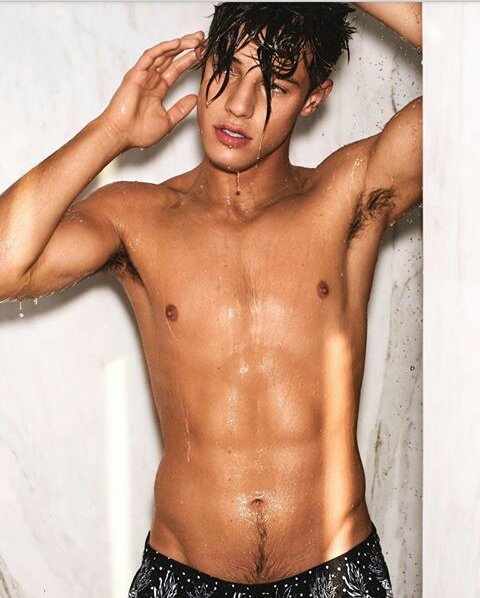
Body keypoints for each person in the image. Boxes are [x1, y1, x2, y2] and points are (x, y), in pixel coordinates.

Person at [0, 2, 422, 597]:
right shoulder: (139, 217)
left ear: (314, 99)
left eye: (275, 85)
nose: (239, 105)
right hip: (182, 578)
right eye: (227, 68)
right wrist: (110, 132)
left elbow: (469, 73)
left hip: (338, 574)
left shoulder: (345, 197)